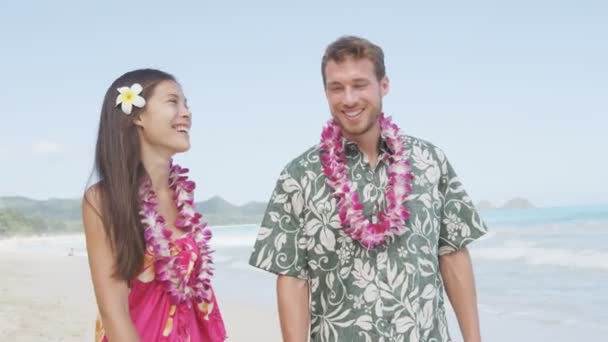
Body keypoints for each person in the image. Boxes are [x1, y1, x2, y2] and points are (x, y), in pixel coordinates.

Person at [249, 36, 487, 342]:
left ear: (383, 85)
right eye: (337, 88)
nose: (348, 99)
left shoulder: (430, 161)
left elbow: (452, 254)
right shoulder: (298, 175)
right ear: (326, 92)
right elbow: (292, 279)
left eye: (360, 84)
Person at [82, 69, 226, 341]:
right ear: (137, 116)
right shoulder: (103, 199)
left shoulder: (181, 198)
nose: (186, 113)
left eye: (187, 104)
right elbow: (114, 312)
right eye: (173, 102)